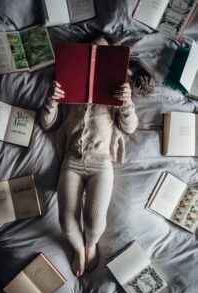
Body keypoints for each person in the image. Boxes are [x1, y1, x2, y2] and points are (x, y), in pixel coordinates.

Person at [40, 36, 153, 277]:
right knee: (66, 221)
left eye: (102, 52)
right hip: (71, 160)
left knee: (93, 221)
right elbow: (48, 125)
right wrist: (52, 100)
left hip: (101, 162)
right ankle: (80, 249)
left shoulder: (117, 85)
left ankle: (90, 244)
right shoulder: (68, 83)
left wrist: (126, 103)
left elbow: (130, 127)